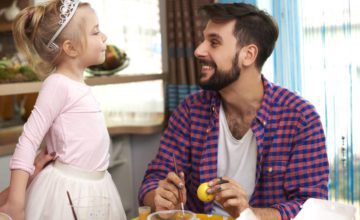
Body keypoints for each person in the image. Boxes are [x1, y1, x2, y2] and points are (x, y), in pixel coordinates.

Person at [138, 3, 329, 220]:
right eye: (203, 40)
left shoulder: (300, 118)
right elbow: (154, 179)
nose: (199, 50)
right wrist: (158, 197)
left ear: (248, 55)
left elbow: (313, 209)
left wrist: (248, 215)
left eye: (214, 42)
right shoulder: (190, 111)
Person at [0, 0, 127, 219]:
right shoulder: (57, 84)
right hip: (67, 194)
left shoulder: (78, 86)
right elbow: (28, 141)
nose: (104, 37)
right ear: (70, 47)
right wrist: (16, 203)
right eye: (96, 32)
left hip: (97, 188)